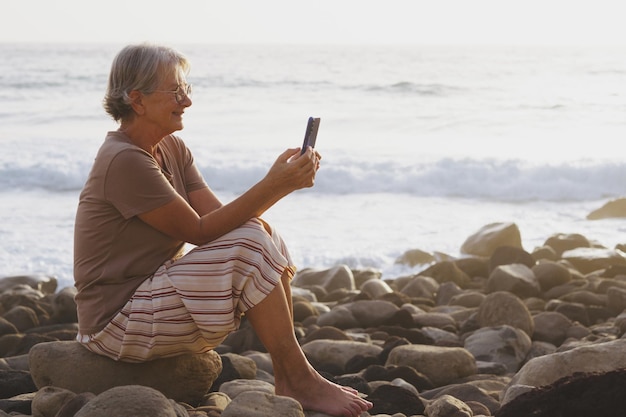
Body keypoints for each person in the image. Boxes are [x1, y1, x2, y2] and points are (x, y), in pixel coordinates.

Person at [73, 43, 372, 417]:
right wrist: (275, 184)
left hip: (151, 294)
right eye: (175, 91)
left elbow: (223, 221)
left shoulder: (173, 149)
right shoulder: (123, 160)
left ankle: (291, 375)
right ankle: (299, 376)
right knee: (251, 241)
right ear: (137, 99)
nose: (187, 101)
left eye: (187, 90)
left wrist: (280, 184)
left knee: (259, 231)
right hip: (115, 319)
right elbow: (199, 231)